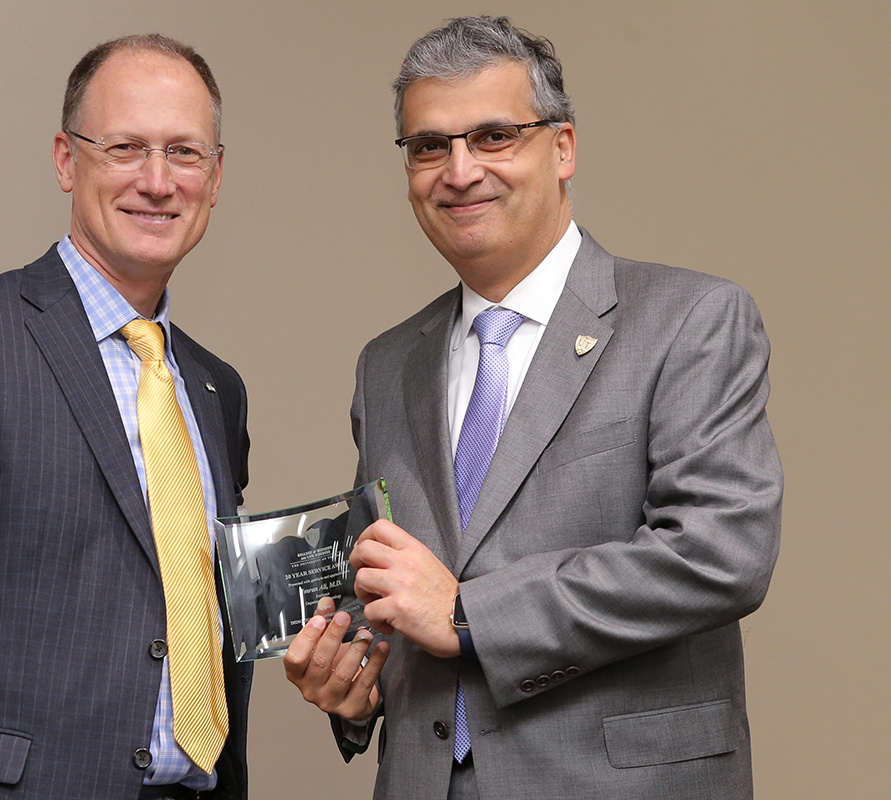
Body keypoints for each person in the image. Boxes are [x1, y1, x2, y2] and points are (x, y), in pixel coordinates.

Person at [285, 16, 781, 800]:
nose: (459, 171)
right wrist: (356, 691)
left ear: (563, 147)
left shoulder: (690, 320)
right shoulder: (387, 365)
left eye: (493, 136)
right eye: (429, 146)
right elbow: (398, 600)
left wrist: (470, 612)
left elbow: (718, 553)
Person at [0, 34, 252, 800]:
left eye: (185, 153)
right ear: (67, 159)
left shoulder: (213, 389)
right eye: (126, 147)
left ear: (217, 174)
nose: (158, 181)